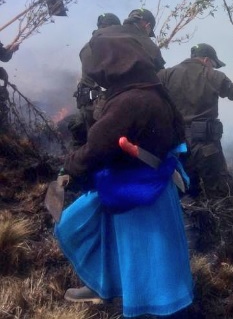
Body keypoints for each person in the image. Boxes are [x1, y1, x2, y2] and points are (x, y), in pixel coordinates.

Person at [55, 19, 193, 317]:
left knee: (147, 255)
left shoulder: (130, 100)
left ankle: (154, 306)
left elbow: (97, 147)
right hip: (141, 185)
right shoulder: (151, 91)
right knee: (104, 235)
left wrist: (69, 166)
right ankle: (104, 286)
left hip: (135, 191)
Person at [158, 43, 233, 199]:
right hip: (206, 146)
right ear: (207, 60)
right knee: (220, 193)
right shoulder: (211, 75)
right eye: (214, 65)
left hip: (177, 145)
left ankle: (190, 222)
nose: (213, 68)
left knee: (185, 191)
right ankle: (220, 222)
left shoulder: (165, 75)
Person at [69, 13, 121, 147]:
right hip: (99, 105)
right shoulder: (106, 45)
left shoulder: (88, 45)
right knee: (102, 146)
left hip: (88, 104)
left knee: (86, 145)